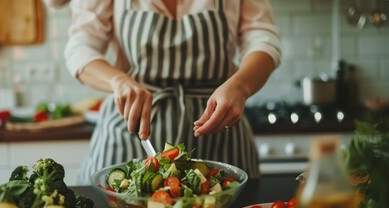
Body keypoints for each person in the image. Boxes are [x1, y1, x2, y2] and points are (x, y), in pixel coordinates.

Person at [64, 0, 281, 184]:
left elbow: (262, 39)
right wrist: (118, 80)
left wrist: (241, 86)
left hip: (220, 128)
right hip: (129, 128)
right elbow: (81, 47)